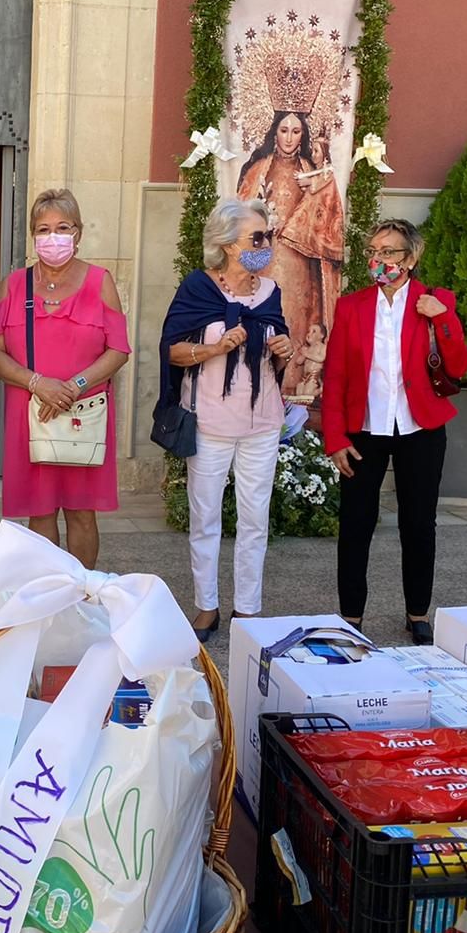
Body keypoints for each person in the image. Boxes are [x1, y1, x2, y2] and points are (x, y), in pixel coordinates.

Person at [323, 218, 467, 644]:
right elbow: (335, 377)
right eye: (375, 251)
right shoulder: (352, 306)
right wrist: (335, 439)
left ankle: (418, 614)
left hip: (419, 428)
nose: (380, 259)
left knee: (419, 523)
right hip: (364, 429)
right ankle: (350, 617)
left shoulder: (435, 301)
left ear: (411, 257)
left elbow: (458, 366)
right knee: (355, 524)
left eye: (389, 252)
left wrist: (441, 320)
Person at [159, 198, 294, 640]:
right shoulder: (198, 290)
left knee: (256, 519)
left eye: (268, 236)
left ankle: (248, 610)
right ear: (228, 245)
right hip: (211, 422)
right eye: (258, 238)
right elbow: (172, 351)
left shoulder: (271, 292)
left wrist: (284, 350)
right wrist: (216, 348)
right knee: (206, 517)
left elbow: (278, 337)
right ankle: (206, 606)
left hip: (262, 421)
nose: (266, 245)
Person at [0, 189, 130, 568]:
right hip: (30, 413)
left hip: (84, 414)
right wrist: (37, 383)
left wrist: (74, 386)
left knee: (82, 512)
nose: (53, 236)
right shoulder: (13, 285)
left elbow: (119, 349)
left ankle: (80, 595)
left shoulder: (101, 282)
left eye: (62, 227)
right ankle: (47, 597)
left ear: (78, 233)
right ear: (33, 235)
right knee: (39, 511)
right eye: (43, 229)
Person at [235, 109, 345, 353]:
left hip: (300, 258)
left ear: (303, 135)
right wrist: (262, 215)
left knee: (298, 309)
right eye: (283, 131)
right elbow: (240, 211)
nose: (288, 138)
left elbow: (329, 210)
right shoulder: (259, 169)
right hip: (266, 256)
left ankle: (295, 374)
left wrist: (315, 187)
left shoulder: (311, 170)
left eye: (295, 132)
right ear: (274, 132)